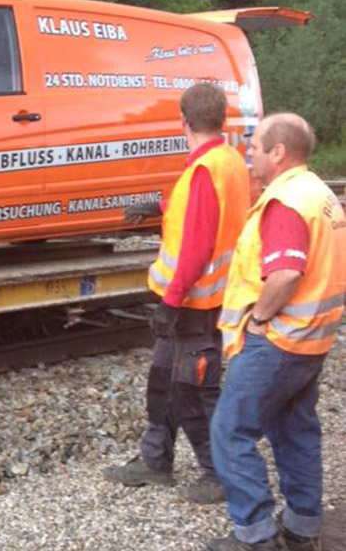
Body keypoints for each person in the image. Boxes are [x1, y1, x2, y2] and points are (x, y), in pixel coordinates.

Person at [104, 83, 250, 504]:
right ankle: (155, 461)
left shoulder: (206, 170)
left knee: (193, 391)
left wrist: (170, 303)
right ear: (221, 120)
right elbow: (202, 214)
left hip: (195, 304)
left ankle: (218, 475)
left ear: (183, 120)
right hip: (202, 300)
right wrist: (160, 208)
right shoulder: (228, 161)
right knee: (163, 382)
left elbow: (197, 244)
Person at [206, 113, 346, 551]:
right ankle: (304, 528)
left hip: (280, 339)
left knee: (230, 432)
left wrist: (261, 318)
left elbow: (284, 273)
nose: (248, 154)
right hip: (312, 338)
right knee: (295, 430)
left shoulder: (285, 201)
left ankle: (256, 535)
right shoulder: (320, 193)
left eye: (254, 147)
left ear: (278, 152)